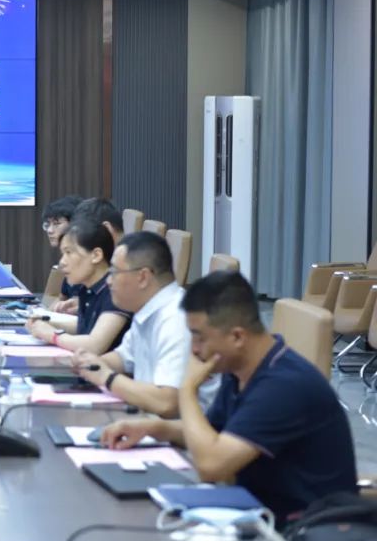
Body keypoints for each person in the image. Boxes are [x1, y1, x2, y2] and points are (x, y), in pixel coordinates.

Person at [101, 272, 357, 523]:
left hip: (303, 529)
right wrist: (154, 428)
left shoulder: (283, 386)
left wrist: (187, 389)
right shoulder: (240, 369)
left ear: (237, 336)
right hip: (256, 513)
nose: (194, 349)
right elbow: (213, 433)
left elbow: (211, 466)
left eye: (199, 337)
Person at [72, 231, 218, 417]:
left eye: (114, 272)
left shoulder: (176, 319)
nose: (108, 281)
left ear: (143, 277)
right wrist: (91, 363)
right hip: (148, 420)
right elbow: (124, 357)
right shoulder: (148, 308)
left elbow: (167, 402)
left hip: (180, 431)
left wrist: (107, 378)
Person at [26, 220, 132, 354]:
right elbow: (86, 326)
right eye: (62, 254)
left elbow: (94, 345)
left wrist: (53, 335)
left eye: (69, 252)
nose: (62, 262)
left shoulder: (115, 290)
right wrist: (48, 323)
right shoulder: (87, 288)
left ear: (96, 255)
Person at [41, 195, 82, 313]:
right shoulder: (68, 262)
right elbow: (60, 298)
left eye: (56, 223)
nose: (49, 230)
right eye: (48, 224)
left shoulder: (84, 263)